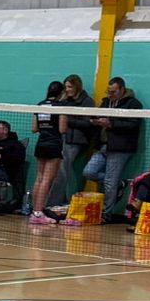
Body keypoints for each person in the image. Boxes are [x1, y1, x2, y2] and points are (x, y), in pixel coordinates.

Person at [83, 75, 144, 223]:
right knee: (89, 172)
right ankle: (120, 184)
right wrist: (94, 120)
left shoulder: (133, 104)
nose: (110, 94)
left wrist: (111, 124)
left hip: (121, 148)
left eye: (113, 91)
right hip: (103, 146)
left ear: (122, 89)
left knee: (110, 181)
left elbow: (133, 125)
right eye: (108, 91)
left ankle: (107, 214)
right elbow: (95, 115)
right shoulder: (106, 102)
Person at [51, 74, 95, 209]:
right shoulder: (65, 100)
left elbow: (88, 124)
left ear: (77, 86)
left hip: (76, 141)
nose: (67, 89)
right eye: (66, 87)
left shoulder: (87, 101)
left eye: (69, 86)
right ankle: (62, 202)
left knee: (63, 171)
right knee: (60, 172)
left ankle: (52, 203)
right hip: (63, 140)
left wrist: (67, 121)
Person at [25, 80, 64, 223]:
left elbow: (34, 129)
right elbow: (62, 129)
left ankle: (35, 212)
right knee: (47, 179)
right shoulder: (61, 106)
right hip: (53, 145)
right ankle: (38, 213)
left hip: (41, 144)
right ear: (61, 93)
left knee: (39, 178)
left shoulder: (40, 105)